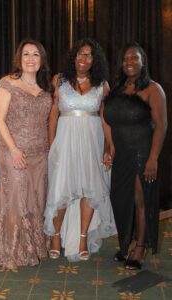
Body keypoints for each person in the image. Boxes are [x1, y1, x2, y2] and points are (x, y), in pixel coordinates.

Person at [0, 39, 53, 268]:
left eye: (36, 54)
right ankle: (12, 250)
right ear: (19, 58)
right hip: (13, 150)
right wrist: (14, 149)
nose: (31, 59)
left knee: (36, 201)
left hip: (40, 153)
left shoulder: (45, 88)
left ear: (42, 60)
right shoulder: (7, 83)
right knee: (16, 200)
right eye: (26, 54)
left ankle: (32, 245)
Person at [44, 38, 116, 262]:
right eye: (80, 54)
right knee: (61, 189)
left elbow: (105, 119)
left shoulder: (102, 85)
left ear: (95, 60)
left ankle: (83, 238)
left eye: (89, 55)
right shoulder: (60, 80)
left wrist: (109, 146)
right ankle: (56, 236)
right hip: (65, 142)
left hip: (92, 142)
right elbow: (54, 114)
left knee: (89, 190)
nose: (83, 59)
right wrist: (51, 146)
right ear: (73, 57)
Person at [104, 42, 167, 269]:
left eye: (134, 58)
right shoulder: (118, 89)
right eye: (125, 59)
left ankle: (139, 248)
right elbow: (110, 120)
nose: (129, 62)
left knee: (140, 201)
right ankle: (127, 242)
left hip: (142, 153)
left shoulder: (153, 89)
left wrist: (153, 158)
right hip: (121, 154)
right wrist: (108, 147)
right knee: (120, 199)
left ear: (143, 62)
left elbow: (161, 125)